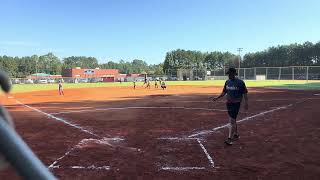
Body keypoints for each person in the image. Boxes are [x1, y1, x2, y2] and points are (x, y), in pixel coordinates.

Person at [212, 67, 248, 145]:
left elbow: (245, 93)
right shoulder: (227, 82)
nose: (229, 75)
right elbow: (224, 92)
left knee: (231, 120)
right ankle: (236, 134)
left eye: (230, 74)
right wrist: (217, 97)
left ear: (234, 74)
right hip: (228, 103)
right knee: (233, 119)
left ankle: (229, 139)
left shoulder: (240, 82)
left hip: (236, 103)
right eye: (228, 74)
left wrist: (246, 103)